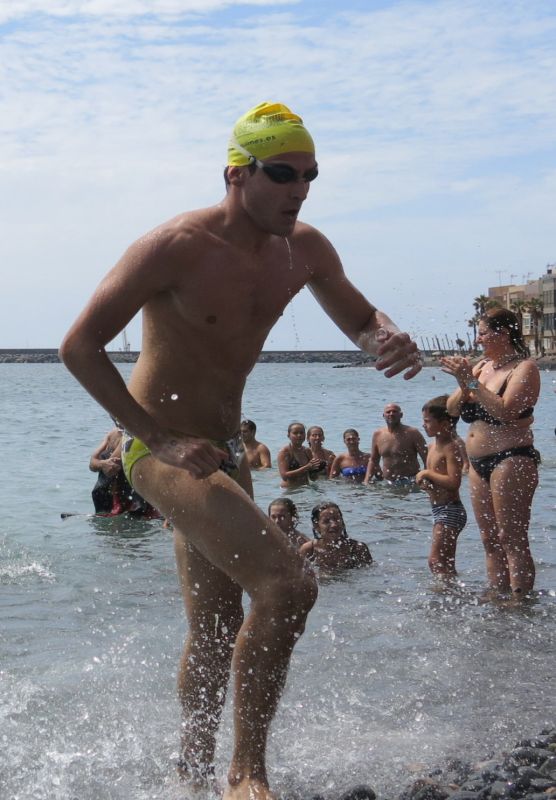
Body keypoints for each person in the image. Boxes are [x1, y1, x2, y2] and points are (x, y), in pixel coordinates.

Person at [60, 100, 420, 800]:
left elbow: (359, 319)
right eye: (283, 173)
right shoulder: (174, 246)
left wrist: (386, 337)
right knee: (289, 585)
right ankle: (246, 774)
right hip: (160, 454)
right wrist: (157, 437)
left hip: (224, 452)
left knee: (218, 625)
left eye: (310, 175)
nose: (300, 189)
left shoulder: (304, 248)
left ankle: (190, 772)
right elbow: (79, 347)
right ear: (236, 173)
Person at [441, 307, 540, 597]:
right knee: (489, 539)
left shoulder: (524, 368)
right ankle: (498, 601)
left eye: (483, 333)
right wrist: (463, 380)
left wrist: (471, 382)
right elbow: (451, 409)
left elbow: (506, 411)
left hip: (511, 458)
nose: (478, 339)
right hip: (477, 463)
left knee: (511, 538)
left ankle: (520, 605)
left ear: (504, 333)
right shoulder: (482, 367)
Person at [416, 395, 467, 577]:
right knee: (445, 562)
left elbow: (454, 482)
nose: (424, 425)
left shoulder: (451, 447)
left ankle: (446, 591)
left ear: (444, 424)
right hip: (439, 508)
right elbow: (438, 478)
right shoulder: (431, 447)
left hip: (451, 509)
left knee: (435, 561)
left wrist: (427, 474)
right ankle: (453, 590)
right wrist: (426, 483)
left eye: (427, 421)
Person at [90, 427, 156, 516]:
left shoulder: (135, 434)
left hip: (136, 489)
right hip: (114, 492)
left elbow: (112, 465)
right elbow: (92, 463)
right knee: (106, 458)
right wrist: (103, 464)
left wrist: (104, 463)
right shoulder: (113, 434)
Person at [363, 403, 427, 486]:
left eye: (394, 411)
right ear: (383, 416)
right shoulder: (378, 434)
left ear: (401, 415)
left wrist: (426, 478)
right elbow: (373, 460)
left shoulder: (413, 433)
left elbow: (426, 458)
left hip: (411, 482)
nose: (391, 414)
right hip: (388, 482)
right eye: (388, 412)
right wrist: (367, 480)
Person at [299, 502, 373, 571]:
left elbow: (369, 573)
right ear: (316, 526)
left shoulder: (357, 549)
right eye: (326, 521)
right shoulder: (309, 550)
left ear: (342, 522)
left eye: (337, 519)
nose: (334, 525)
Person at [277, 422, 322, 489]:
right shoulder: (285, 452)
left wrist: (316, 469)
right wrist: (307, 467)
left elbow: (313, 478)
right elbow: (284, 476)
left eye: (301, 433)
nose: (299, 435)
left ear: (305, 435)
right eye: (295, 433)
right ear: (288, 435)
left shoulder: (307, 451)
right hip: (290, 490)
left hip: (305, 488)